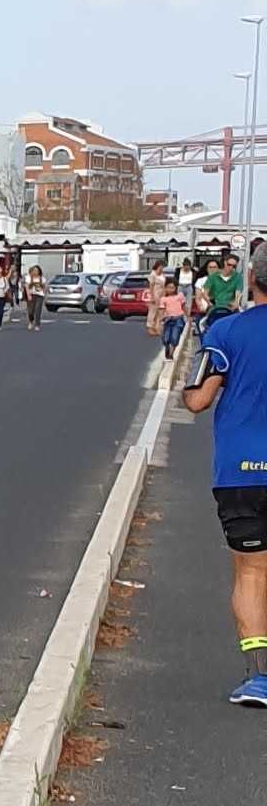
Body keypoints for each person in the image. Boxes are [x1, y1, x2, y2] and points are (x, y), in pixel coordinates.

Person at [179, 241, 267, 708]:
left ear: (250, 279)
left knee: (252, 572)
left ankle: (259, 677)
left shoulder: (226, 332)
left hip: (241, 473)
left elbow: (196, 400)